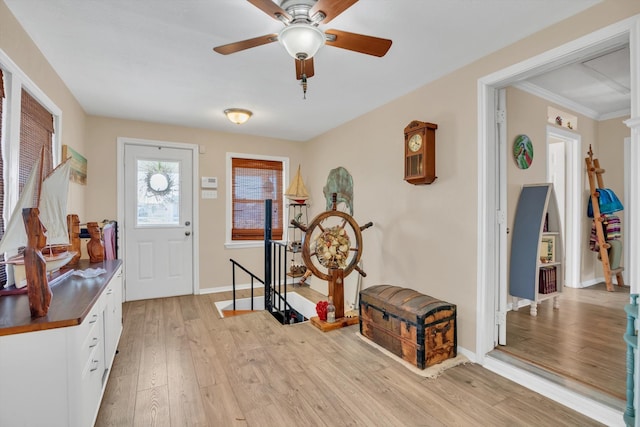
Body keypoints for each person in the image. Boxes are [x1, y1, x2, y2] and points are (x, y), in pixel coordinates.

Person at [22, 207, 51, 318]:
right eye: (43, 233)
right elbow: (35, 285)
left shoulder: (36, 253)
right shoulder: (32, 253)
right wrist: (39, 307)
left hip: (43, 302)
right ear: (36, 235)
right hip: (40, 304)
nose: (46, 236)